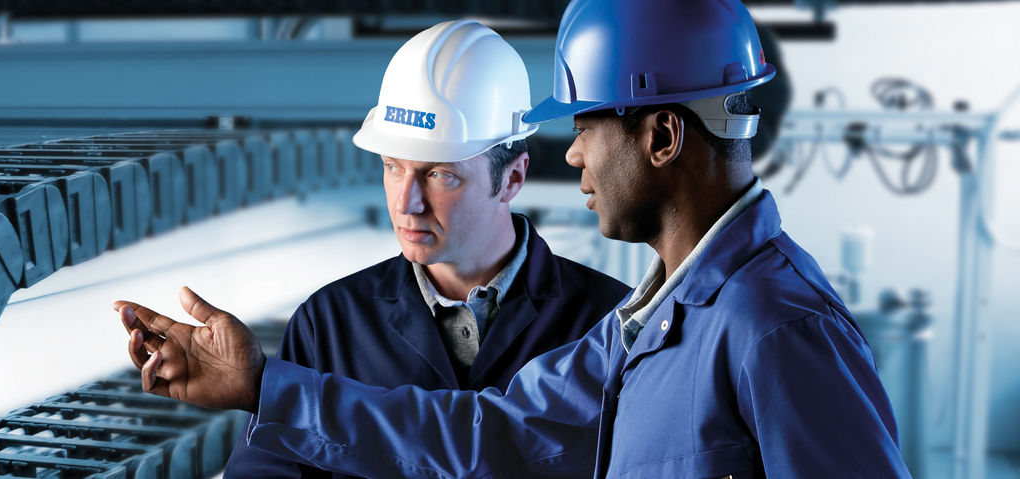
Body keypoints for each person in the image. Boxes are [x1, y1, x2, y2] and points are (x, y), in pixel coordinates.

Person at [115, 0, 911, 477]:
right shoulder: (644, 327)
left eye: (587, 127)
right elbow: (478, 433)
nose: (576, 155)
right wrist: (263, 386)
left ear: (663, 135)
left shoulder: (776, 327)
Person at [218, 19, 628, 478]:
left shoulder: (609, 323)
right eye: (393, 167)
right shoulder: (330, 323)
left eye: (439, 175)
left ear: (512, 177)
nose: (406, 203)